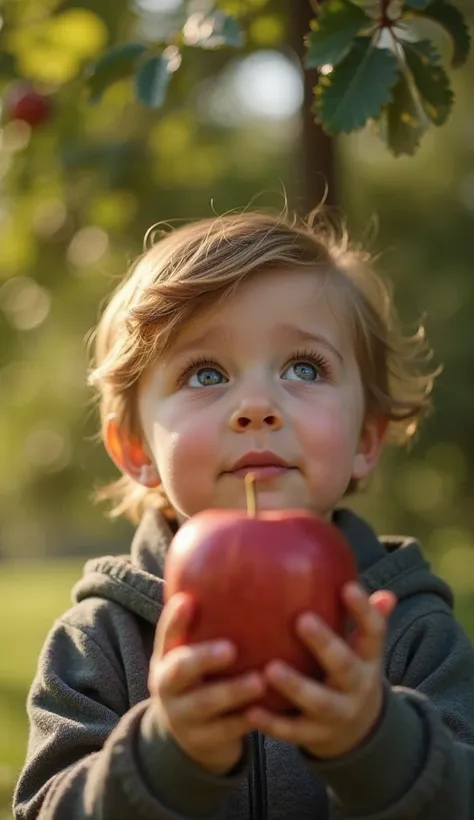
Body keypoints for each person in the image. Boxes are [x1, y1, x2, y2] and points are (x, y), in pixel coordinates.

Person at [13, 208, 474, 820]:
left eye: (304, 368)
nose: (257, 405)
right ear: (135, 448)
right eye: (206, 373)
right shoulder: (99, 641)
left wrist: (377, 745)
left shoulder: (408, 629)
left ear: (366, 438)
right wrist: (165, 757)